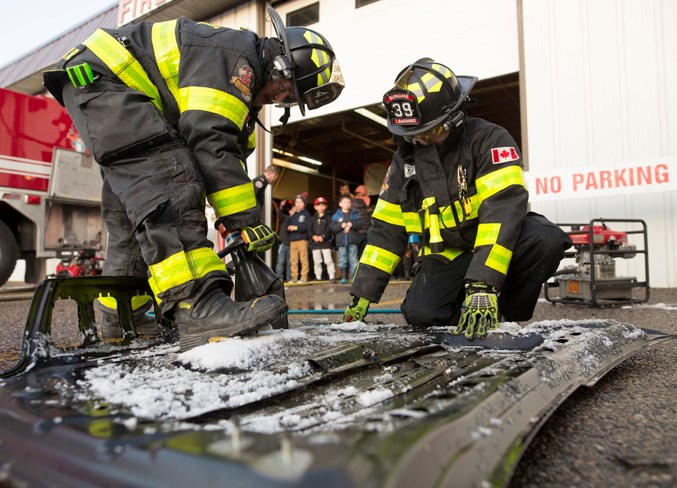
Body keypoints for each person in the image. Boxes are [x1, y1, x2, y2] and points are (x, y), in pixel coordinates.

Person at [42, 7, 344, 351]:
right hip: (106, 82)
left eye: (290, 101)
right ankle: (197, 304)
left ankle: (122, 313)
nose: (280, 100)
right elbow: (210, 144)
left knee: (136, 214)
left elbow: (226, 157)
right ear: (279, 65)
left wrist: (239, 227)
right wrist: (245, 222)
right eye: (287, 91)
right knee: (170, 182)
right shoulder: (237, 61)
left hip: (98, 84)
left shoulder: (237, 75)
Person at [344, 58, 571, 338]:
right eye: (412, 133)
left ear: (453, 117)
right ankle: (465, 318)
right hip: (448, 253)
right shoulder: (404, 160)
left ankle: (502, 314)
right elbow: (386, 231)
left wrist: (483, 285)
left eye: (427, 131)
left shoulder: (489, 140)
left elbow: (501, 213)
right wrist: (362, 293)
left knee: (545, 240)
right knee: (421, 315)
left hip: (496, 241)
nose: (419, 139)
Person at [330, 195, 363, 284]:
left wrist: (352, 224)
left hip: (353, 240)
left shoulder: (355, 213)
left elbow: (360, 224)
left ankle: (353, 276)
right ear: (340, 204)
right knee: (342, 258)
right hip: (341, 241)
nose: (347, 204)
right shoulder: (336, 215)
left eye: (349, 202)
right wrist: (340, 226)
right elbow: (332, 227)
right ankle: (343, 276)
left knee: (353, 258)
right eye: (344, 202)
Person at [309, 196, 336, 282]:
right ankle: (318, 277)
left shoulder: (329, 217)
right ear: (315, 207)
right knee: (317, 262)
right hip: (315, 244)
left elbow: (329, 229)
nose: (321, 207)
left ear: (326, 206)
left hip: (326, 243)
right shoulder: (312, 218)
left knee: (328, 260)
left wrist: (323, 237)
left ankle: (332, 276)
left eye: (323, 205)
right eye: (318, 205)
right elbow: (309, 229)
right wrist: (313, 236)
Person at [287, 194, 311, 283]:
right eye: (297, 202)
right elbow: (287, 224)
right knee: (293, 260)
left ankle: (304, 277)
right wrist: (290, 216)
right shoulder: (293, 214)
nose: (298, 204)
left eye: (300, 202)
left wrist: (296, 228)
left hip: (302, 239)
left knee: (303, 259)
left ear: (304, 203)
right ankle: (294, 277)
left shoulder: (306, 214)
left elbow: (306, 226)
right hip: (293, 240)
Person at [351, 184, 372, 258]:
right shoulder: (367, 205)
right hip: (365, 232)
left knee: (355, 255)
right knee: (364, 254)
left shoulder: (352, 203)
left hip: (356, 232)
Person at [274, 199, 293, 282]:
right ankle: (279, 280)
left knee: (290, 263)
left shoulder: (296, 219)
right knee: (280, 262)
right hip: (283, 243)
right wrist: (281, 206)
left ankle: (289, 279)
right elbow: (279, 215)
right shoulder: (285, 218)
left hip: (292, 244)